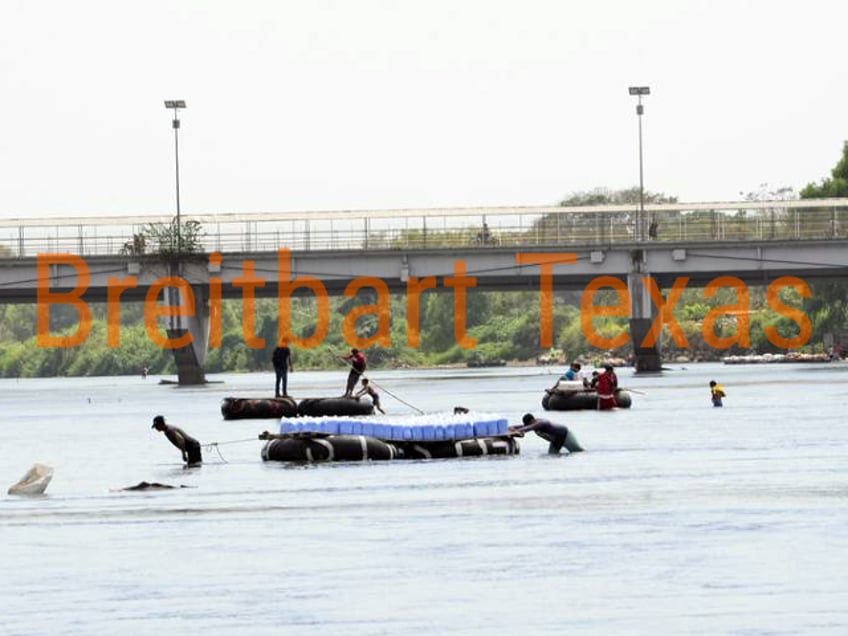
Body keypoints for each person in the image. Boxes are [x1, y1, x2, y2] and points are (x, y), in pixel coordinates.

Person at [509, 413, 584, 455]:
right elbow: (524, 427)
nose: (528, 425)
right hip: (556, 440)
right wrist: (511, 427)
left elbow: (529, 428)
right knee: (552, 455)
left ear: (532, 420)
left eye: (529, 423)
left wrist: (516, 431)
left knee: (578, 452)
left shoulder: (541, 423)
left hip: (565, 436)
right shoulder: (531, 424)